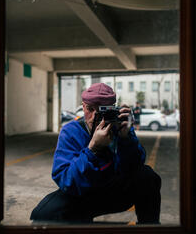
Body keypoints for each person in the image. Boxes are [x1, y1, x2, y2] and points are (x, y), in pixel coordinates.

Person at [30, 83, 161, 224]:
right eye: (90, 109)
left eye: (103, 111)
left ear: (113, 109)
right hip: (83, 192)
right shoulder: (70, 131)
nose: (94, 117)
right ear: (83, 106)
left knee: (147, 175)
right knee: (43, 213)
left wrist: (126, 139)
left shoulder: (121, 126)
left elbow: (135, 167)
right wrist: (92, 149)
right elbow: (65, 179)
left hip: (115, 192)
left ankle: (149, 227)